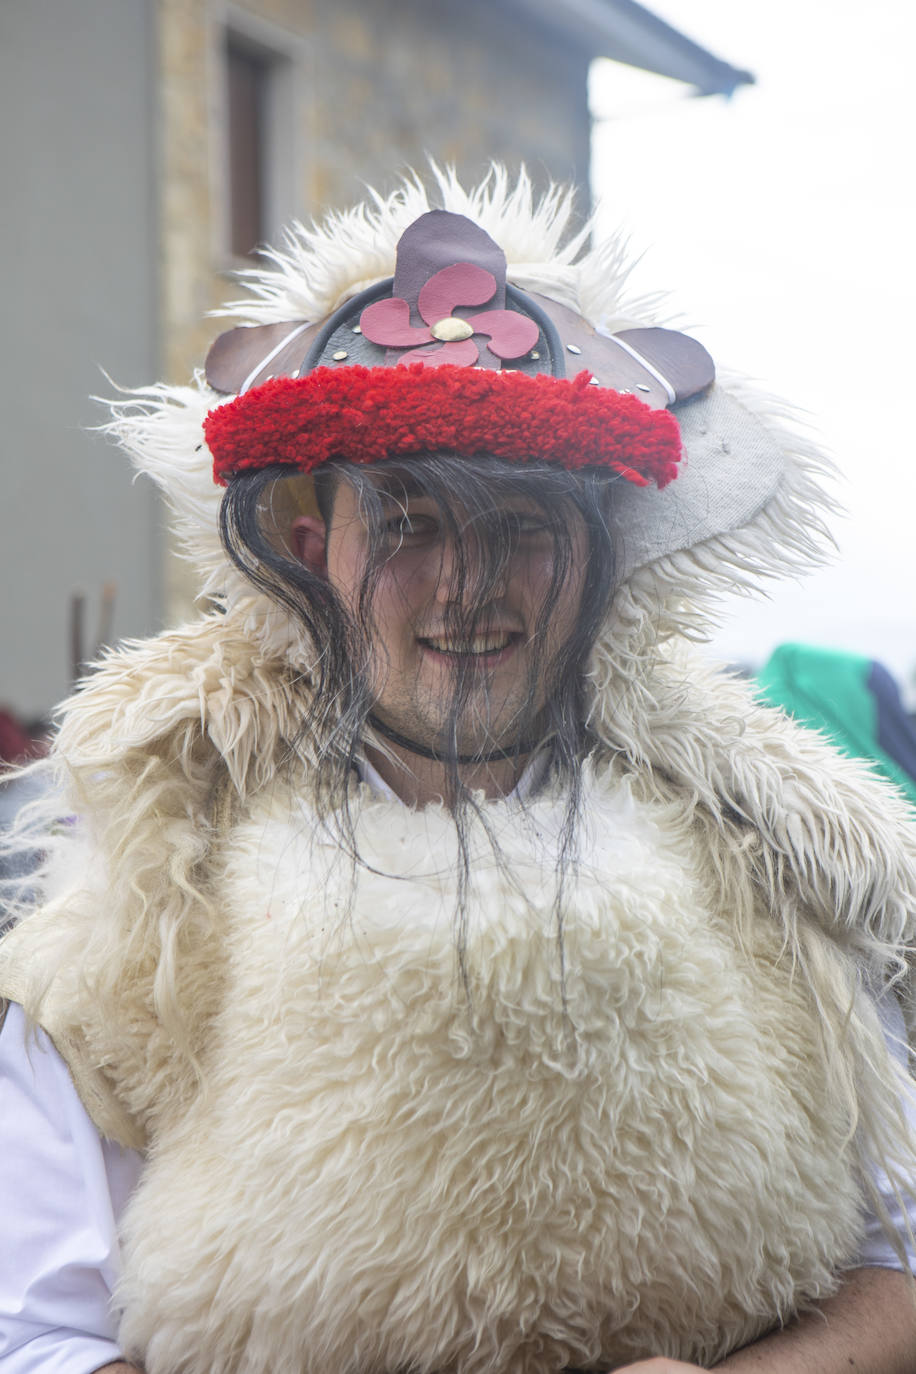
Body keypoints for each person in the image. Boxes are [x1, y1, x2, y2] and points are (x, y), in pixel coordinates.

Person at [2, 168, 916, 1374]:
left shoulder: (763, 866)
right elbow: (43, 1335)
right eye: (412, 527)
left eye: (525, 528)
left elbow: (897, 1265)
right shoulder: (145, 897)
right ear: (313, 553)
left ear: (597, 561)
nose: (469, 585)